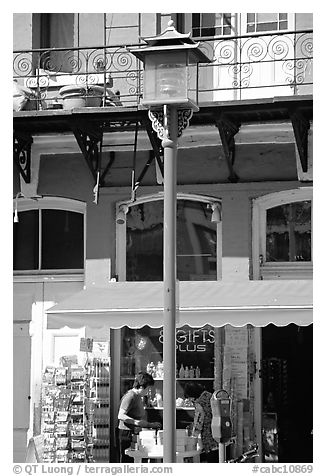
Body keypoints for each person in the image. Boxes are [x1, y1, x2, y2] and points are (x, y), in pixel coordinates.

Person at [118, 371, 161, 462]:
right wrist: (136, 422)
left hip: (134, 432)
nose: (148, 391)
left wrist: (150, 425)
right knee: (128, 461)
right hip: (127, 434)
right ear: (141, 386)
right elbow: (121, 415)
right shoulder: (130, 396)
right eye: (148, 388)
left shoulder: (138, 396)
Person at [184, 382, 219, 463]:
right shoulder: (211, 396)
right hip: (222, 436)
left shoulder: (200, 403)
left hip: (210, 440)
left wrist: (192, 436)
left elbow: (198, 423)